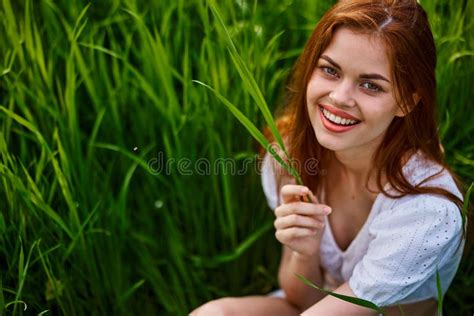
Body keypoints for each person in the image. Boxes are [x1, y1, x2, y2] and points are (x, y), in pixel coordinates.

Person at [190, 0, 467, 314]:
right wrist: (304, 254)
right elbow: (300, 300)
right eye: (330, 70)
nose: (339, 98)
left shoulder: (427, 210)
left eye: (370, 85)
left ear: (406, 101)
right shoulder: (292, 158)